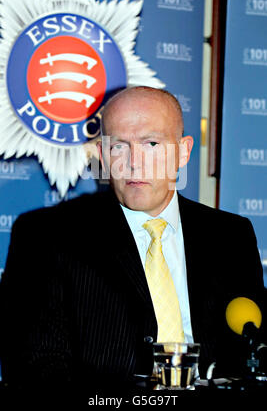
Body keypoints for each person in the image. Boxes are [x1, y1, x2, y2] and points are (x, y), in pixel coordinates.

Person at [0, 86, 265, 393]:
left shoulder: (231, 236)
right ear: (101, 155)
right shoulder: (47, 236)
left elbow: (249, 352)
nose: (134, 163)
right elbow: (37, 369)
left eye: (151, 143)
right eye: (118, 147)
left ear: (183, 152)